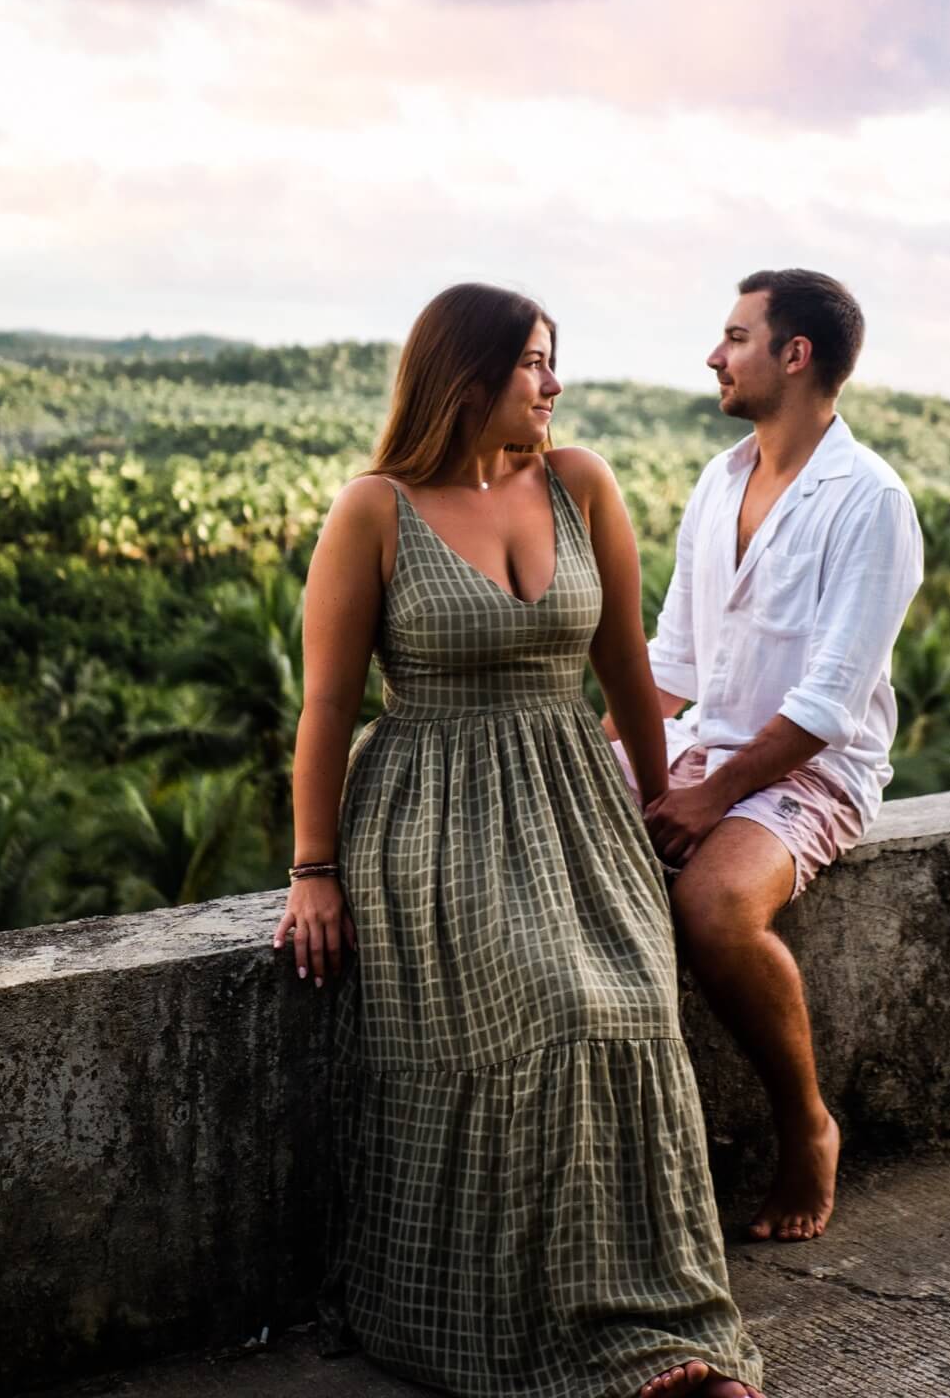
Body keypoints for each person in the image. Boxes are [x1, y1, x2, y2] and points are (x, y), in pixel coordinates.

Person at [272, 283, 763, 1398]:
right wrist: (313, 872)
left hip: (574, 805)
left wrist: (664, 803)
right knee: (553, 1003)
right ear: (468, 374)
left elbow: (627, 670)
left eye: (554, 363)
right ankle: (546, 1329)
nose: (553, 384)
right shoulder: (374, 509)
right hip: (430, 813)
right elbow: (326, 709)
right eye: (534, 363)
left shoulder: (579, 483)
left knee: (631, 1001)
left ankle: (664, 1326)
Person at [605, 269, 923, 1245]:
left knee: (711, 904)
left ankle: (805, 1125)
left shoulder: (868, 502)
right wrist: (595, 756)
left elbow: (825, 705)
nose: (713, 354)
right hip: (708, 746)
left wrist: (712, 801)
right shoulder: (722, 479)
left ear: (795, 355)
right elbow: (672, 662)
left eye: (734, 336)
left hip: (808, 770)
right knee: (548, 825)